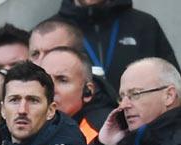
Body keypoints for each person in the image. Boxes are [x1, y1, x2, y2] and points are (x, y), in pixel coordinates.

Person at [49, 0, 178, 92]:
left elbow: (173, 85)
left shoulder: (144, 25)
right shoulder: (49, 31)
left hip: (140, 126)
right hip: (76, 126)